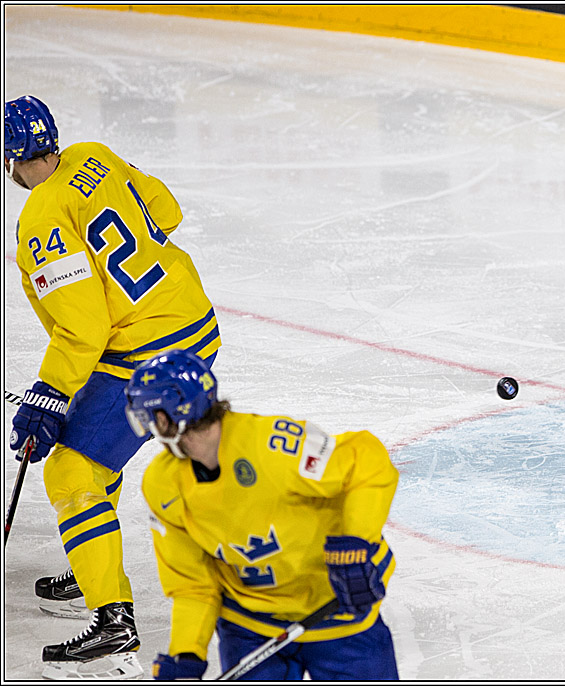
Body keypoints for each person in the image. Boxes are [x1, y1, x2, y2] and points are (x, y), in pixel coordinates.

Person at [5, 95, 221, 679]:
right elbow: (167, 210)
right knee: (96, 455)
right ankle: (92, 564)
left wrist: (49, 392)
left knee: (70, 469)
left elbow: (83, 327)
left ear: (11, 159)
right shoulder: (93, 155)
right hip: (193, 325)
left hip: (146, 356)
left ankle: (113, 623)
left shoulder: (40, 218)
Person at [125, 350, 400, 681]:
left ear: (167, 416)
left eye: (147, 416)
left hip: (337, 609)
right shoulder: (162, 485)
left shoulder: (272, 445)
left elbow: (367, 461)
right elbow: (193, 584)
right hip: (249, 624)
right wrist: (186, 653)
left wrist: (356, 542)